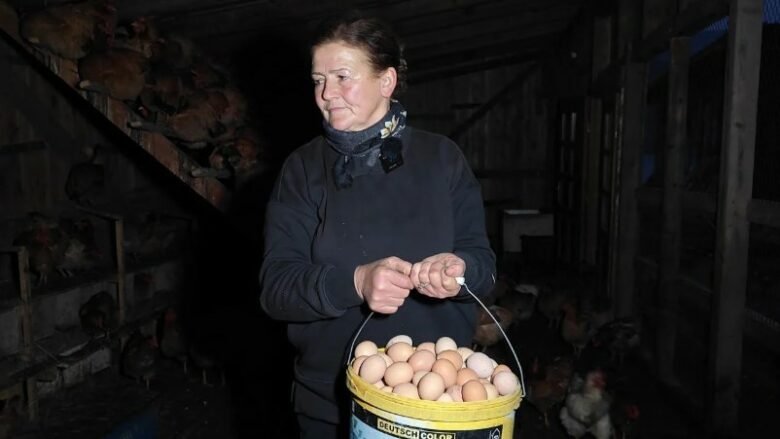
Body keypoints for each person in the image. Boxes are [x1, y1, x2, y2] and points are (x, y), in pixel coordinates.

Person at [258, 14, 496, 438]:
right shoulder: (302, 169)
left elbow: (485, 267)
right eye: (317, 80)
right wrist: (354, 283)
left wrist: (460, 272)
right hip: (330, 402)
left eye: (341, 77)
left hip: (440, 405)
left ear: (386, 82)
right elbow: (276, 290)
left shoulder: (442, 159)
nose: (326, 94)